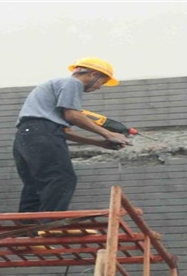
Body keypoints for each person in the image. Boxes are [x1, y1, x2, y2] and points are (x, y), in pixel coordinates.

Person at [12, 57, 131, 236]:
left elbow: (63, 131)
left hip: (26, 136)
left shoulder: (53, 88)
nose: (99, 87)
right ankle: (50, 226)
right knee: (62, 178)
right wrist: (108, 133)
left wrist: (99, 143)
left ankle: (26, 231)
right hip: (42, 132)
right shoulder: (72, 83)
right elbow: (73, 115)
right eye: (102, 82)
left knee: (35, 185)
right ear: (94, 74)